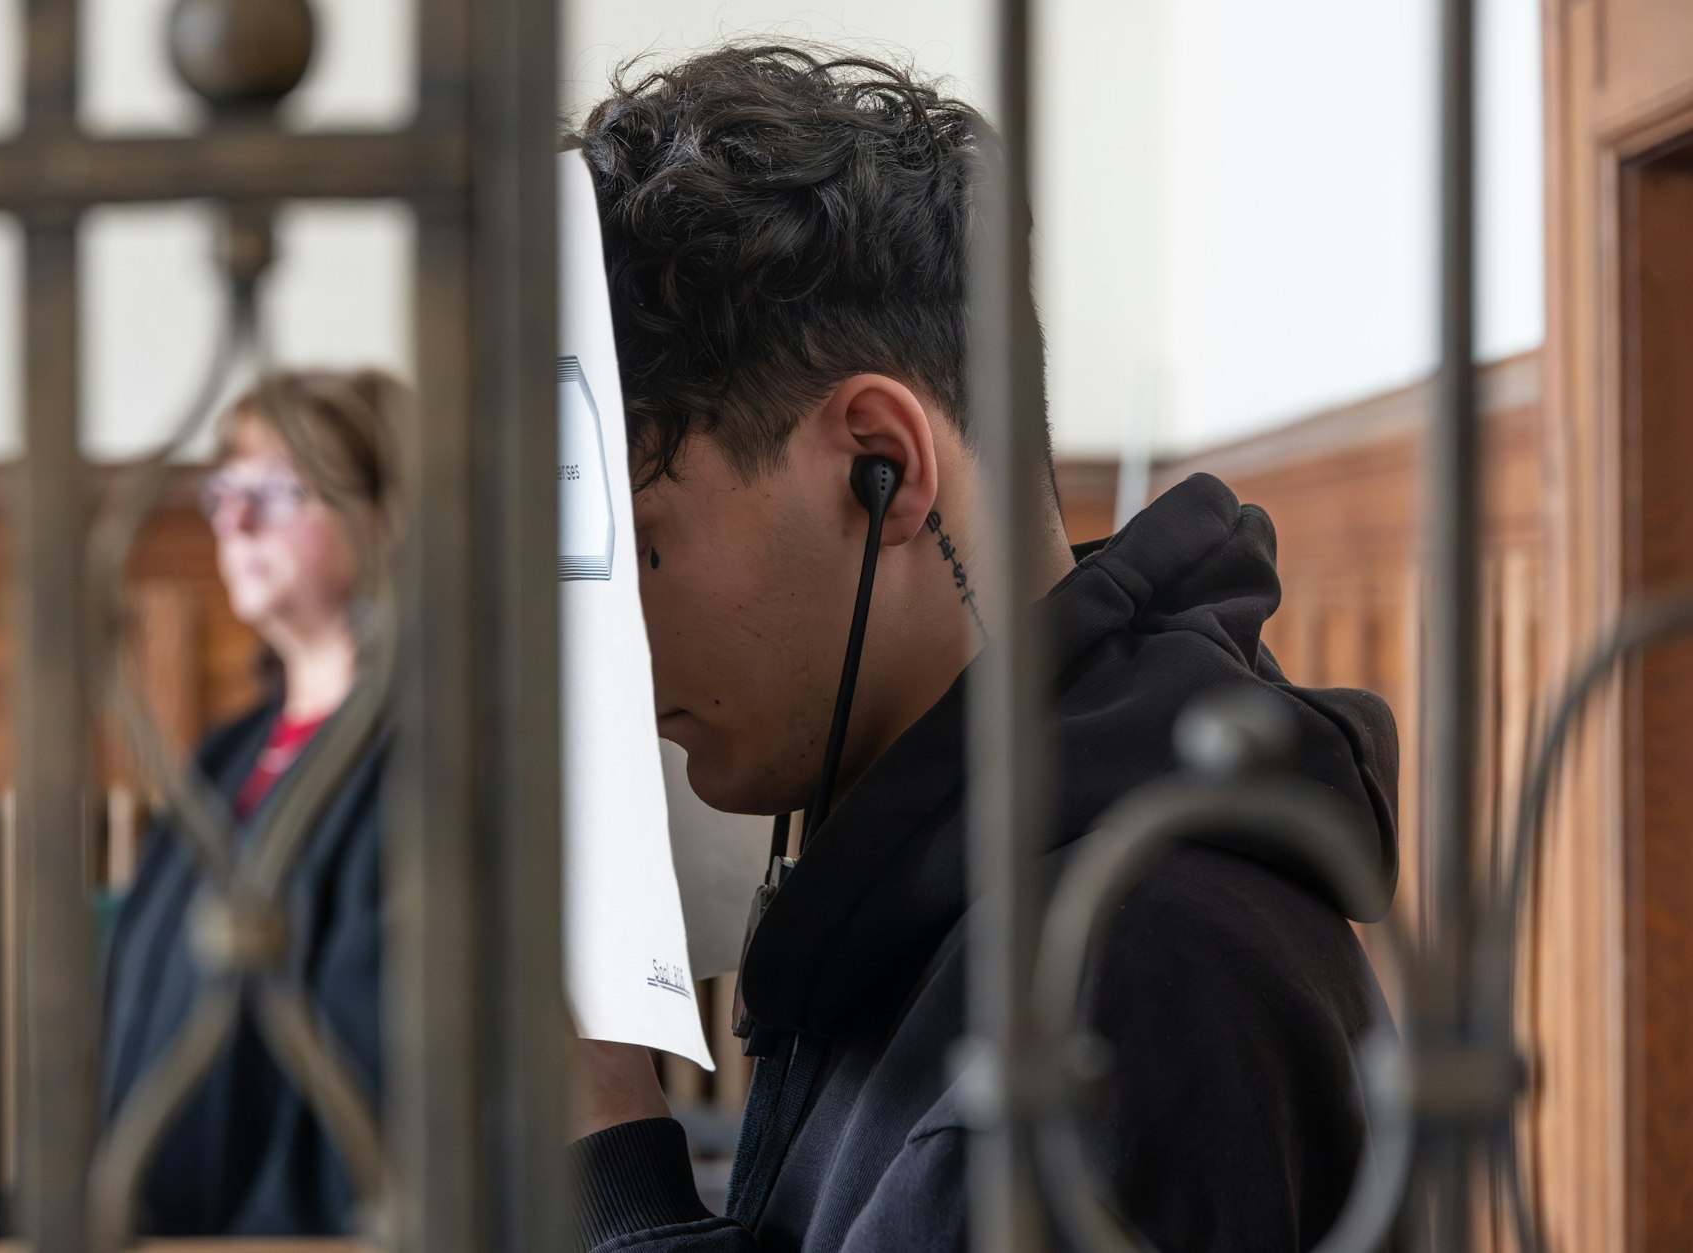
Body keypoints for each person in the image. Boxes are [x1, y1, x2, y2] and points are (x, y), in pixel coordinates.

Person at [566, 45, 1400, 1252]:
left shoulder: (1137, 978)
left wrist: (601, 1145)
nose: (618, 648)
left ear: (882, 464)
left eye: (643, 548)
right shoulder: (941, 883)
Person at [101, 368, 405, 1236]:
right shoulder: (225, 753)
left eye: (276, 490)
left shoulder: (416, 756)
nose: (233, 521)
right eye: (224, 491)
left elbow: (374, 1069)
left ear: (388, 516)